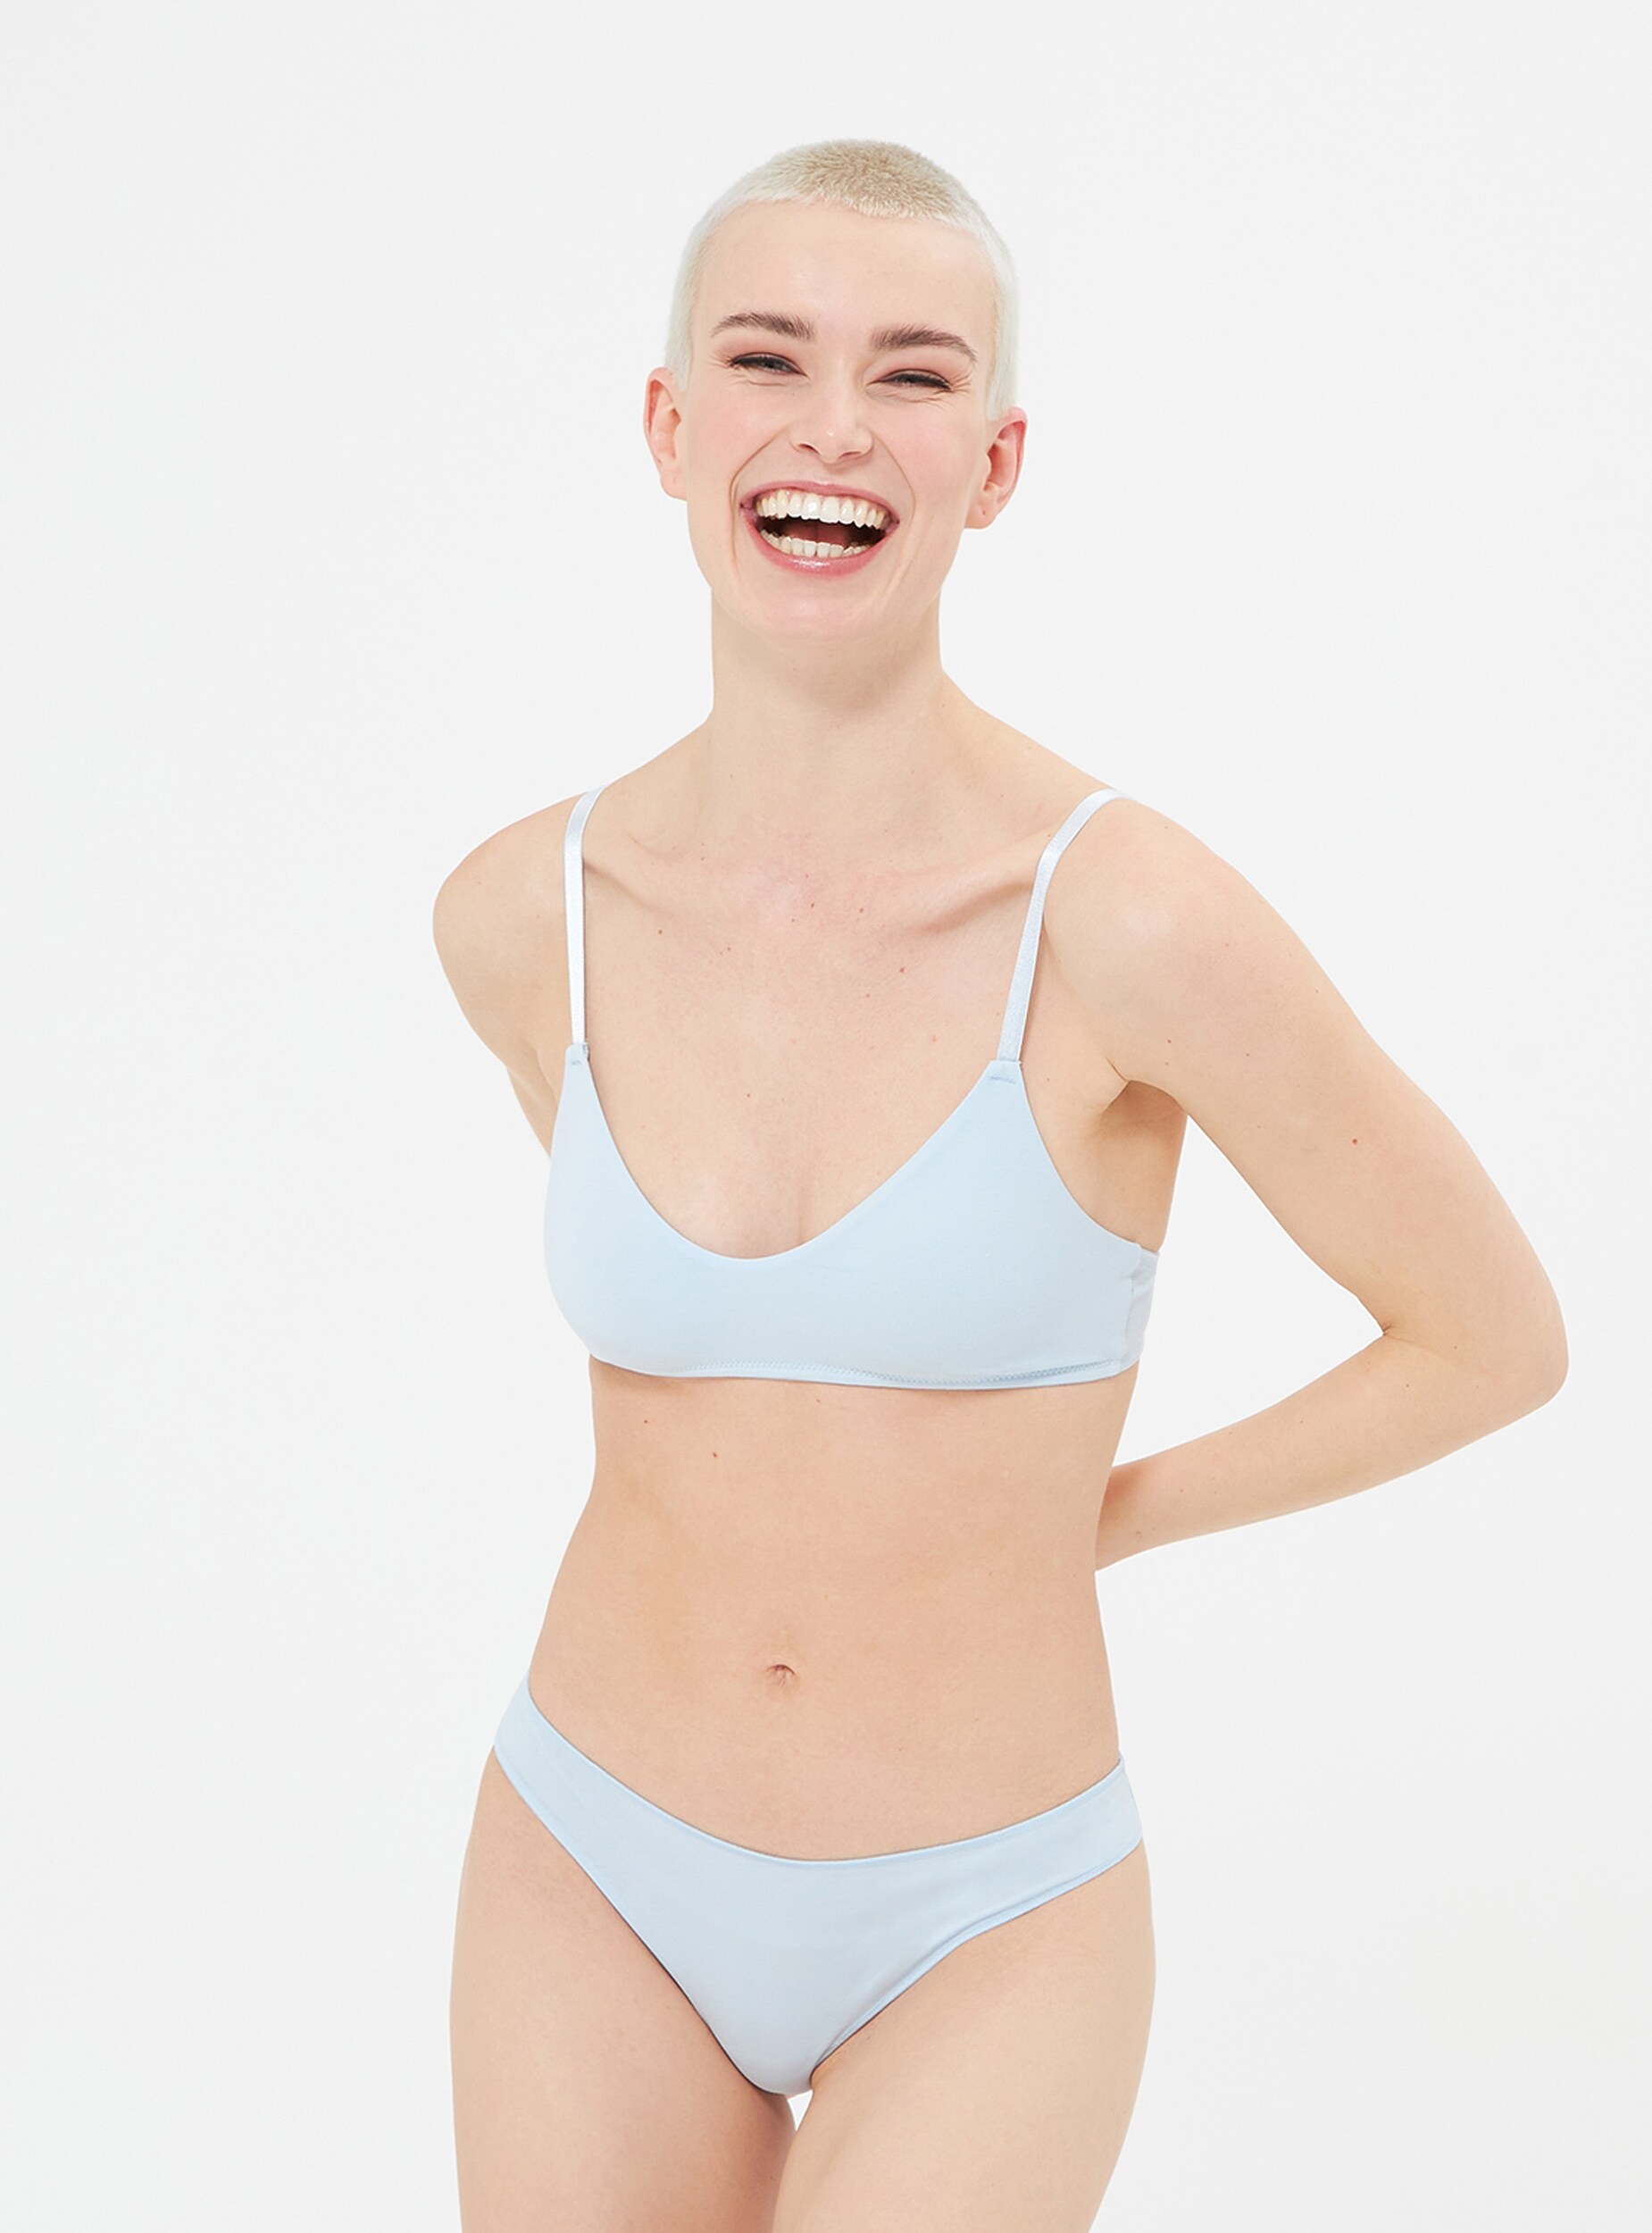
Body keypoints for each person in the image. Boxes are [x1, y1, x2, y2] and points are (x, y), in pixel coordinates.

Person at [434, 138, 1566, 2232]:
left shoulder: (1125, 919)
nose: (835, 427)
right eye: (767, 358)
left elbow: (1491, 1335)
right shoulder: (523, 916)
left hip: (982, 1911)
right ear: (669, 427)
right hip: (588, 1851)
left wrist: (1105, 1512)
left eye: (915, 374)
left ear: (997, 460)